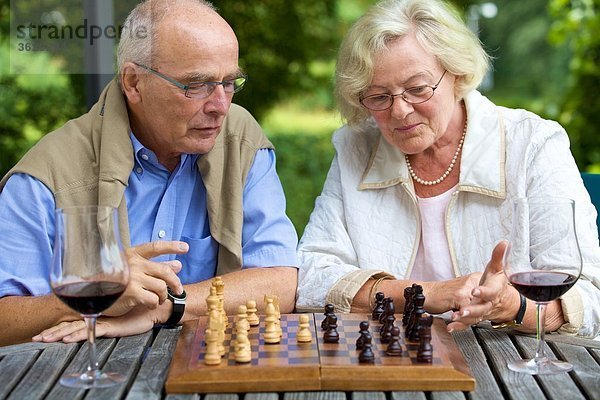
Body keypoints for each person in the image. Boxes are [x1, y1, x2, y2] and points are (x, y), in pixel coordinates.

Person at [0, 0, 298, 346]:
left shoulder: (240, 140)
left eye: (229, 82)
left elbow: (279, 281)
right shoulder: (48, 175)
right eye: (196, 85)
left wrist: (166, 307)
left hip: (211, 369)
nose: (220, 106)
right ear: (133, 83)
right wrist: (96, 292)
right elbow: (4, 320)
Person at [296, 0, 600, 338]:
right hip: (390, 361)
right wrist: (427, 292)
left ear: (457, 73)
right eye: (379, 97)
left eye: (417, 89)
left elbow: (589, 298)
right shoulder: (356, 148)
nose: (399, 112)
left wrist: (512, 305)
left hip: (513, 366)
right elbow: (311, 276)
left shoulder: (532, 144)